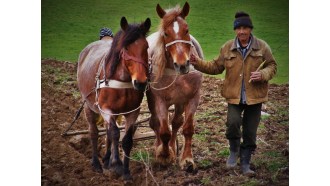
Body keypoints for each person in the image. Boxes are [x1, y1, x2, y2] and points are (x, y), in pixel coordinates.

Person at [190, 11, 277, 176]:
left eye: (245, 28)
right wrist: (198, 63)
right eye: (239, 28)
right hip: (234, 96)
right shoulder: (227, 47)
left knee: (250, 132)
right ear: (235, 30)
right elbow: (215, 67)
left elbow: (272, 65)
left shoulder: (262, 47)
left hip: (254, 97)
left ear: (250, 29)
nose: (242, 31)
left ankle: (245, 162)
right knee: (232, 124)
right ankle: (233, 151)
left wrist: (263, 74)